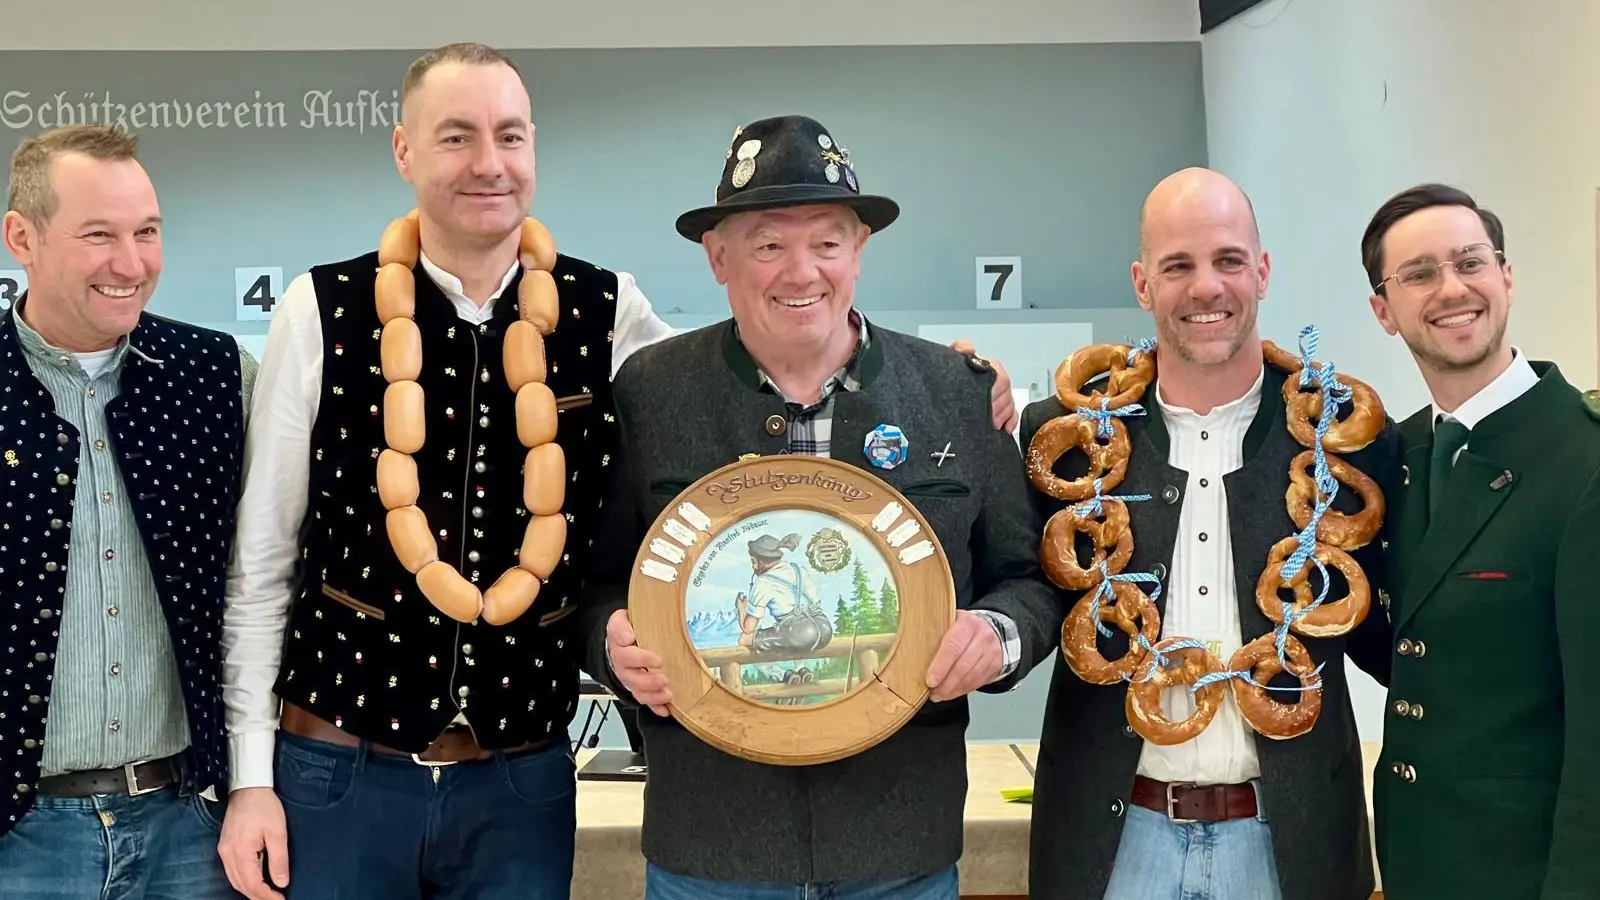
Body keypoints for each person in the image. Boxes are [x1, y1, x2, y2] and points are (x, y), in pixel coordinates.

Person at [214, 45, 1018, 900]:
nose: (488, 163)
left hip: (519, 778)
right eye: (456, 137)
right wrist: (251, 778)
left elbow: (770, 359)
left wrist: (944, 380)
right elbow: (261, 567)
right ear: (405, 151)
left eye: (510, 136)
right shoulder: (323, 308)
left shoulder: (608, 311)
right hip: (338, 765)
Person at [587, 113, 1064, 900]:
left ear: (860, 251)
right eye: (769, 243)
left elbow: (1029, 579)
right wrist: (610, 645)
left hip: (898, 845)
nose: (800, 270)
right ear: (719, 257)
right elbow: (595, 586)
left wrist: (999, 635)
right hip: (711, 847)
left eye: (828, 241)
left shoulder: (955, 393)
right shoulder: (649, 394)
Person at [1019, 167, 1402, 900]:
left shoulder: (1343, 448)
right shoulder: (1065, 446)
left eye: (1229, 260)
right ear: (1141, 283)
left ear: (1261, 271)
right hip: (1114, 846)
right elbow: (1021, 595)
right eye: (1177, 266)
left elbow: (1395, 633)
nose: (1206, 288)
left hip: (1287, 845)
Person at [0, 123, 256, 897]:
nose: (131, 263)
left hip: (191, 828)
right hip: (22, 839)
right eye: (98, 235)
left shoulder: (218, 378)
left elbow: (272, 579)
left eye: (147, 232)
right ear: (22, 237)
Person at [1358, 183, 1600, 900]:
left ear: (1507, 277)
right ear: (1384, 311)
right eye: (1420, 274)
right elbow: (1406, 643)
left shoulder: (1583, 461)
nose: (1452, 288)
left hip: (1531, 873)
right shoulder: (1392, 460)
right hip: (1418, 862)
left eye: (1471, 262)